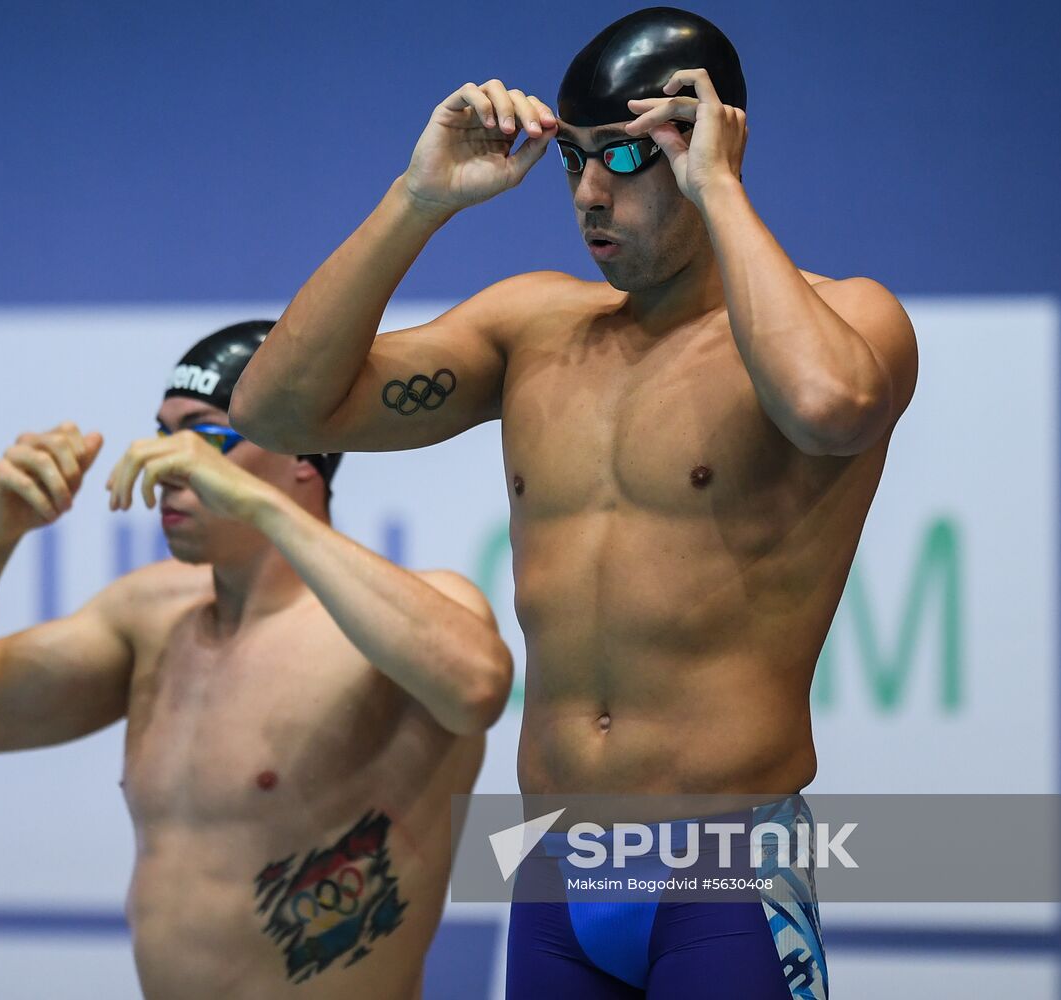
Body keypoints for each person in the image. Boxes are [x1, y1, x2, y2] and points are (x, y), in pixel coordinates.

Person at [227, 8, 918, 999]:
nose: (590, 195)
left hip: (721, 868)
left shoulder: (849, 318)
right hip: (557, 868)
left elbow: (827, 409)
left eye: (629, 160)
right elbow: (274, 406)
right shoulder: (533, 329)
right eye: (575, 161)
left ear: (712, 140)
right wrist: (416, 200)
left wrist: (718, 188)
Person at [0, 321, 514, 999]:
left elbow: (475, 689)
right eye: (164, 433)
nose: (173, 466)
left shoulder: (410, 614)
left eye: (208, 438)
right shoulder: (150, 620)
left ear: (305, 455)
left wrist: (264, 510)